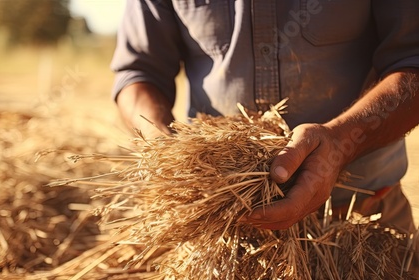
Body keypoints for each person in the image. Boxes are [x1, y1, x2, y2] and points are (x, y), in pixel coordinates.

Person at [110, 0, 419, 274]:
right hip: (222, 238)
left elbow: (413, 61)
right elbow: (139, 73)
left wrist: (340, 144)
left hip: (364, 228)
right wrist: (166, 147)